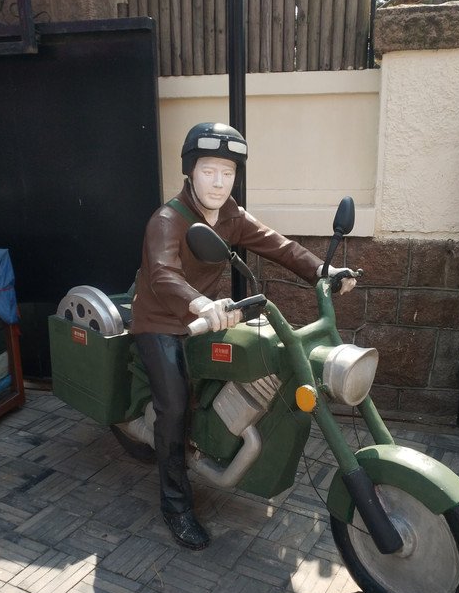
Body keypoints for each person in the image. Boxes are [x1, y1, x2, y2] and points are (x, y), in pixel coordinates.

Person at [129, 122, 356, 550]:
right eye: (208, 170)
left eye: (228, 172)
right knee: (173, 405)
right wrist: (200, 303)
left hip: (207, 317)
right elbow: (162, 273)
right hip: (162, 320)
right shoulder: (167, 220)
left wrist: (322, 272)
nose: (218, 182)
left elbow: (277, 244)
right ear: (190, 171)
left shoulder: (231, 216)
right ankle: (175, 504)